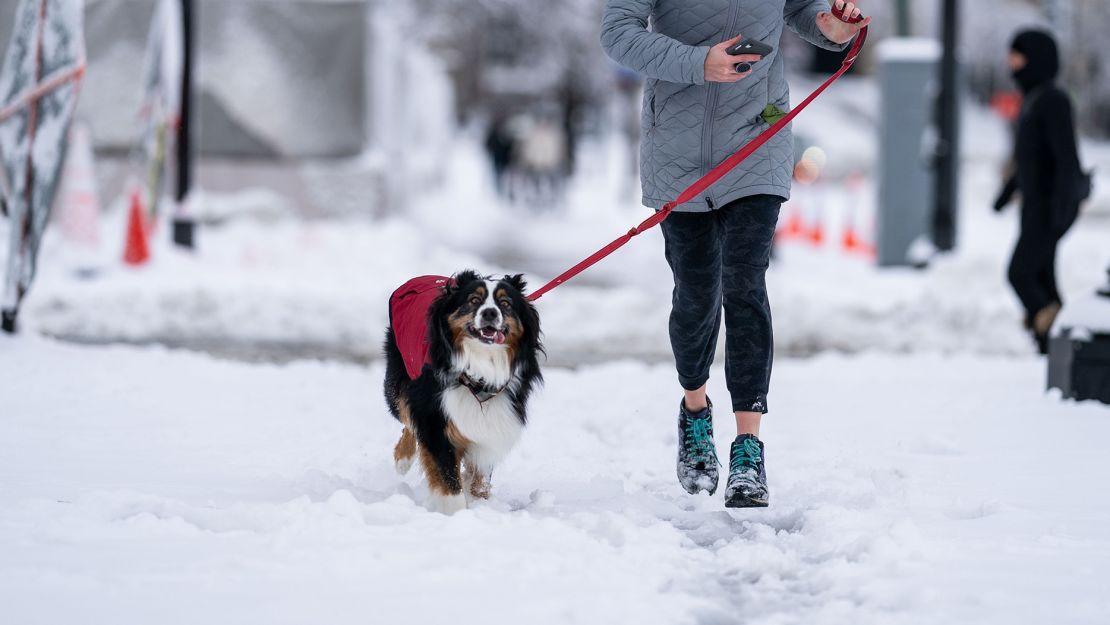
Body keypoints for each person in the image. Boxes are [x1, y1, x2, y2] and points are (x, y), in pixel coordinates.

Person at [600, 1, 868, 508]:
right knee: (696, 292)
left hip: (757, 139)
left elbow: (807, 12)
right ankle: (696, 411)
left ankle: (749, 448)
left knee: (744, 282)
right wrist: (697, 63)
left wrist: (833, 27)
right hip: (677, 153)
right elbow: (618, 33)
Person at [993, 30, 1084, 354]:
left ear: (1036, 58)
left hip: (1050, 205)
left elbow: (1066, 158)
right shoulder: (1033, 100)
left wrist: (1062, 207)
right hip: (1034, 204)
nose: (1011, 63)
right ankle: (1053, 349)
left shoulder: (1053, 100)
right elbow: (1029, 158)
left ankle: (1058, 330)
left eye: (1017, 56)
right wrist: (1007, 193)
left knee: (1021, 273)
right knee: (1042, 276)